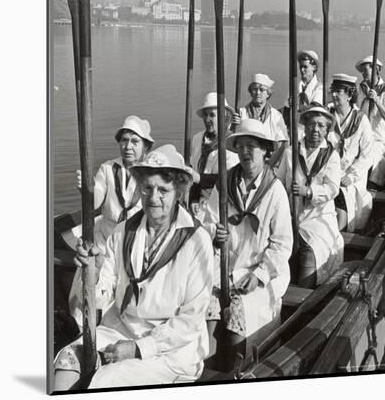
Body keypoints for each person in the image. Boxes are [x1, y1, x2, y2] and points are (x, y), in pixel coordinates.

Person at [54, 145, 214, 391]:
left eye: (163, 190)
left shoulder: (197, 240)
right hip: (120, 330)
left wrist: (139, 349)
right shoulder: (122, 231)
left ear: (179, 191)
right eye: (147, 188)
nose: (153, 197)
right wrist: (93, 272)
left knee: (106, 380)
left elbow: (191, 320)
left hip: (171, 349)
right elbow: (101, 297)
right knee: (66, 360)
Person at [203, 119, 293, 359]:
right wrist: (215, 232)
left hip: (259, 271)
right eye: (240, 146)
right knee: (207, 309)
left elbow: (282, 244)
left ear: (265, 151)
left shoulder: (275, 191)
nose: (245, 152)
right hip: (224, 266)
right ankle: (205, 368)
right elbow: (207, 221)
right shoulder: (225, 184)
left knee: (238, 310)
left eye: (251, 146)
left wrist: (259, 275)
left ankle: (237, 367)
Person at [69, 115, 154, 325]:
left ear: (146, 147)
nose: (128, 146)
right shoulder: (108, 168)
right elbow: (96, 199)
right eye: (124, 140)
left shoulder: (151, 172)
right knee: (88, 290)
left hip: (134, 243)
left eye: (135, 142)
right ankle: (83, 327)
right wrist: (86, 190)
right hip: (105, 239)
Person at [277, 104, 343, 288]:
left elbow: (332, 188)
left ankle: (303, 297)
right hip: (291, 214)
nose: (316, 129)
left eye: (321, 126)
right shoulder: (291, 152)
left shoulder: (332, 156)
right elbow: (279, 180)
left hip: (318, 217)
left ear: (327, 130)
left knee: (310, 250)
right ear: (304, 126)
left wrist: (309, 191)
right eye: (312, 124)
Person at [328, 74, 373, 232]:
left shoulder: (361, 120)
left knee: (341, 196)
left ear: (349, 95)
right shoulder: (327, 116)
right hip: (328, 171)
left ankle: (337, 235)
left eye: (338, 91)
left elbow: (368, 155)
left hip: (350, 176)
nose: (334, 94)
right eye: (333, 90)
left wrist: (351, 176)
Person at [190, 92, 239, 218]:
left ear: (224, 116)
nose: (207, 120)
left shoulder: (231, 143)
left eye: (212, 115)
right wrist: (193, 198)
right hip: (198, 206)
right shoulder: (197, 139)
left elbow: (229, 179)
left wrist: (200, 178)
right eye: (205, 115)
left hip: (220, 206)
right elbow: (193, 170)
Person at [232, 73, 289, 167]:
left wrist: (269, 165)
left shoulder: (276, 115)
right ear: (250, 92)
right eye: (254, 89)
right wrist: (234, 125)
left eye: (262, 90)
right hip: (246, 162)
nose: (258, 93)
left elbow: (283, 143)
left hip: (270, 163)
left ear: (268, 94)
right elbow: (233, 141)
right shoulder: (240, 113)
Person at [355, 55, 385, 189]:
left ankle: (371, 186)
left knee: (370, 155)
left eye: (366, 71)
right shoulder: (361, 89)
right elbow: (357, 110)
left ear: (376, 70)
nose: (363, 74)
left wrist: (376, 100)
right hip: (363, 134)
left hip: (378, 137)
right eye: (362, 72)